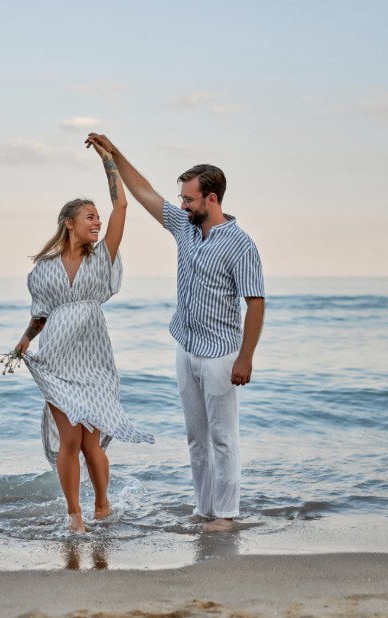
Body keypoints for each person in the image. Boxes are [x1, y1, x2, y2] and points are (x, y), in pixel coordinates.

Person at [85, 134, 265, 533]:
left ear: (211, 199)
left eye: (189, 199)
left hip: (221, 354)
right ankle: (204, 509)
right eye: (182, 198)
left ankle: (226, 515)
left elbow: (255, 302)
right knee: (196, 438)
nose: (182, 205)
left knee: (223, 438)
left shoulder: (241, 245)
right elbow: (145, 192)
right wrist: (114, 155)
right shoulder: (185, 227)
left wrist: (245, 357)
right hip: (187, 347)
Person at [15, 137, 154, 533]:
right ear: (69, 223)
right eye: (89, 217)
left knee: (92, 443)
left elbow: (121, 206)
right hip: (57, 362)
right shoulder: (44, 269)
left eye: (97, 217)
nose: (97, 222)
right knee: (70, 442)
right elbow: (41, 315)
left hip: (94, 361)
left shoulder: (102, 256)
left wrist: (109, 160)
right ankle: (74, 515)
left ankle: (102, 505)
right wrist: (25, 339)